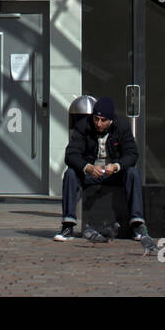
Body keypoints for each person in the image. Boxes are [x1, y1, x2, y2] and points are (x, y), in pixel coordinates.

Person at [54, 96, 147, 241]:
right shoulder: (83, 126)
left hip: (113, 173)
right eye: (96, 119)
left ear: (110, 120)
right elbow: (71, 154)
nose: (98, 123)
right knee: (70, 174)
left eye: (103, 120)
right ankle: (68, 224)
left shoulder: (122, 127)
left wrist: (116, 166)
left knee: (133, 173)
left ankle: (137, 224)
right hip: (91, 173)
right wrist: (88, 167)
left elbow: (132, 154)